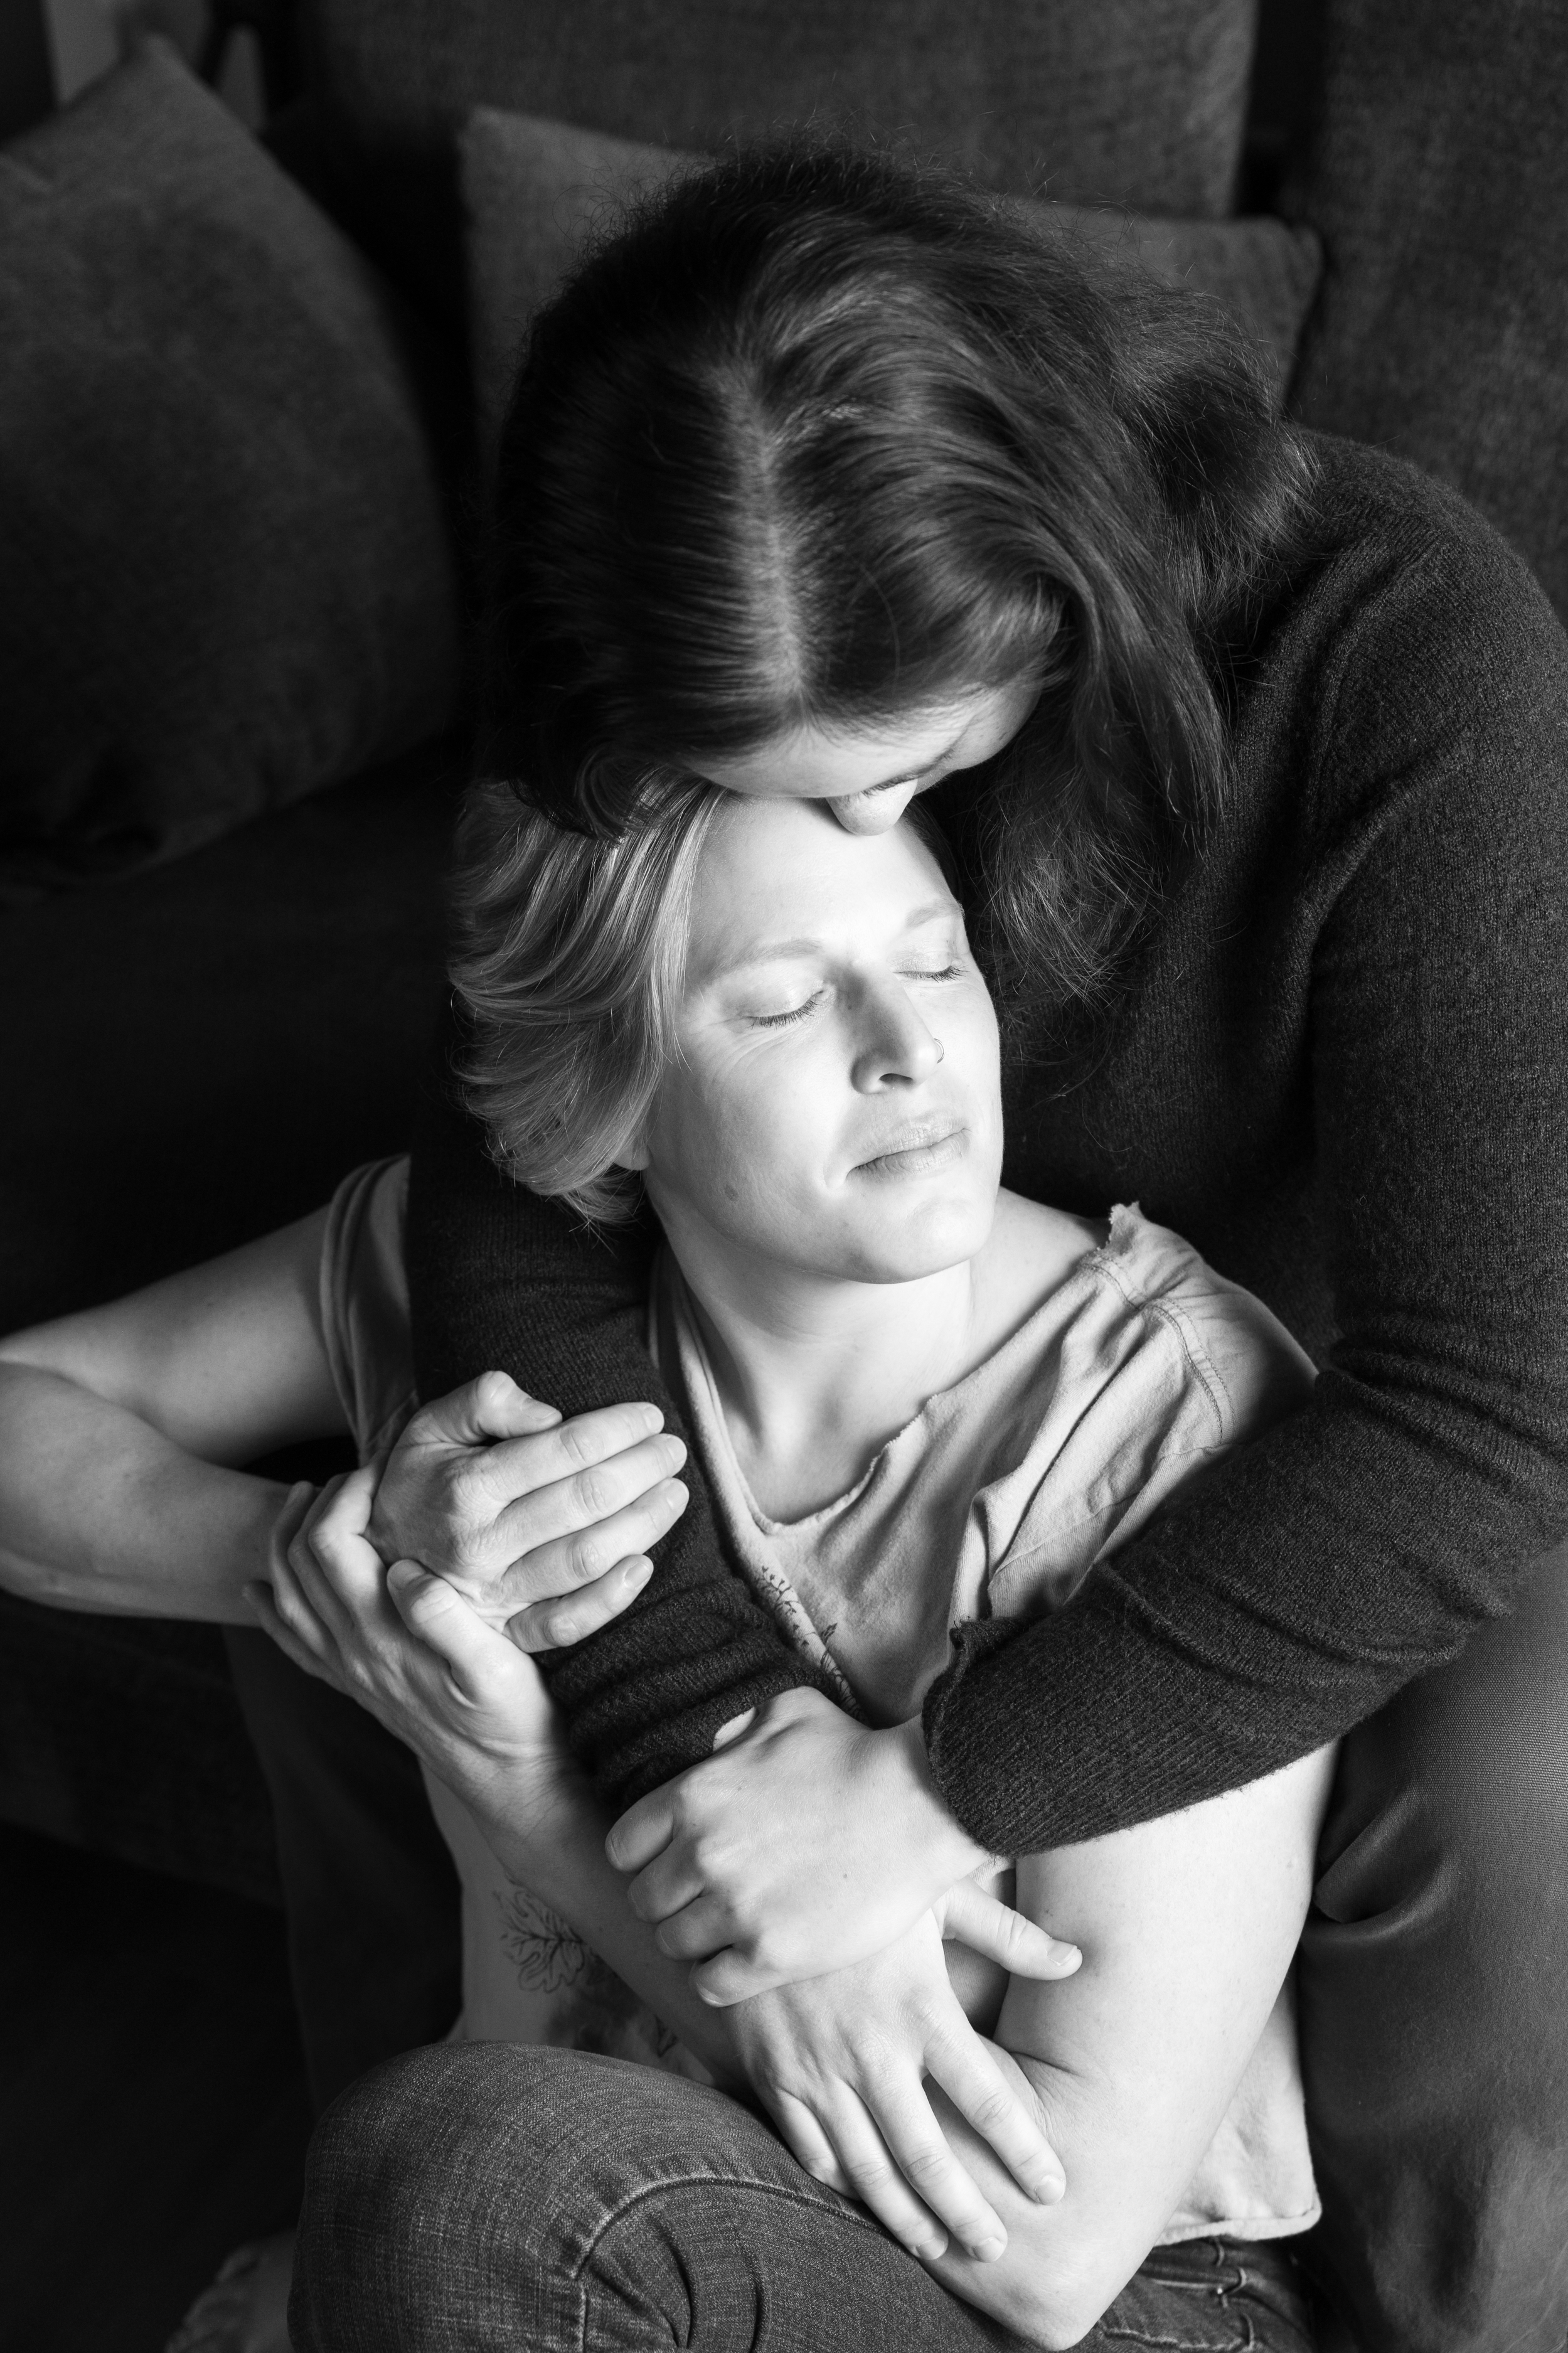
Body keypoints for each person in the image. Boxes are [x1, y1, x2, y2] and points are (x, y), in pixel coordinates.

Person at [304, 141, 1567, 2350]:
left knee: (1516, 1826)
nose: (872, 844)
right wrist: (720, 1748)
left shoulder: (1404, 647)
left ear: (1058, 596)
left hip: (1355, 1409)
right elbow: (506, 1166)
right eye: (788, 792)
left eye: (910, 779)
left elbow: (1492, 1408)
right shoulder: (646, 639)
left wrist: (921, 1795)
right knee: (436, 1503)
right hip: (913, 1343)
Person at [0, 778, 1336, 2347]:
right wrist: (300, 1558)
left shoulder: (1158, 1412)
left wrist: (524, 1785)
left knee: (455, 2177)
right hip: (593, 2221)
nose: (908, 1051)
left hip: (1115, 2299)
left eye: (935, 961)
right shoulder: (443, 1300)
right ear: (608, 1103)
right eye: (781, 1003)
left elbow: (1048, 2246)